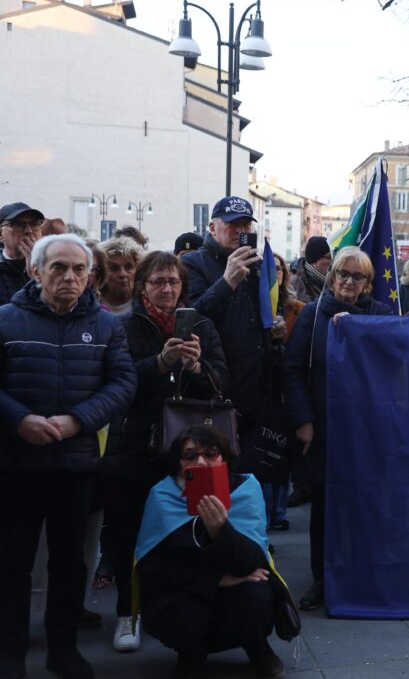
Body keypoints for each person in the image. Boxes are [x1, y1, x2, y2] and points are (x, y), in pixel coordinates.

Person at [0, 233, 137, 679]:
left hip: (75, 463)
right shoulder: (5, 319)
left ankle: (63, 650)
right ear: (35, 271)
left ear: (89, 276)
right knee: (12, 564)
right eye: (58, 267)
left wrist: (77, 421)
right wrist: (19, 419)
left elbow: (122, 384)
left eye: (79, 269)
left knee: (69, 562)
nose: (69, 277)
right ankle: (10, 653)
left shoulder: (106, 326)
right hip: (16, 463)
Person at [103, 250, 228, 653]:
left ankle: (179, 606)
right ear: (142, 286)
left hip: (189, 448)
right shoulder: (122, 326)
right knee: (127, 531)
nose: (167, 289)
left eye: (173, 281)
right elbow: (119, 382)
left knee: (188, 528)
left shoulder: (201, 325)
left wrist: (196, 368)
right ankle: (127, 612)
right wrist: (160, 362)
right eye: (158, 281)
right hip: (136, 445)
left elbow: (222, 384)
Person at [283, 246, 390, 612]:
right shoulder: (313, 316)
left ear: (367, 282)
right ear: (332, 277)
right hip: (325, 429)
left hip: (369, 431)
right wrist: (304, 421)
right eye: (342, 273)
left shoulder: (381, 316)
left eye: (357, 276)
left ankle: (363, 575)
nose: (348, 281)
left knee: (366, 505)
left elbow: (398, 364)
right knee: (325, 508)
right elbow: (293, 370)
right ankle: (323, 579)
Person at [134, 425, 285, 679]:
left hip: (238, 587)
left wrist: (220, 530)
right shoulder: (162, 496)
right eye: (190, 456)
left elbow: (253, 560)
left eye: (210, 454)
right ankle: (190, 654)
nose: (200, 462)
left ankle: (258, 649)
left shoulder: (245, 490)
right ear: (179, 462)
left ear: (224, 458)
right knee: (177, 612)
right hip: (187, 591)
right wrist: (216, 580)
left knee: (255, 597)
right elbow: (152, 571)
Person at [183, 196, 274, 437]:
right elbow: (192, 317)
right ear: (212, 227)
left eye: (246, 225)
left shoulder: (255, 265)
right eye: (233, 224)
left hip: (256, 387)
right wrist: (227, 282)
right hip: (216, 385)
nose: (241, 231)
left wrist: (274, 325)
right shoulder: (192, 263)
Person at [0, 202, 44, 306]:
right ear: (1, 234)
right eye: (18, 224)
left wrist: (39, 274)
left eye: (34, 224)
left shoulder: (54, 268)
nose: (28, 231)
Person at [98, 237, 143, 317]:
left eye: (129, 267)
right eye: (114, 268)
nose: (123, 274)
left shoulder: (147, 308)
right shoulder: (89, 306)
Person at [289, 236, 332, 303]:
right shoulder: (294, 283)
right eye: (328, 257)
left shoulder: (334, 283)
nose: (332, 261)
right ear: (314, 262)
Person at [273, 252, 304, 341]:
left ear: (283, 274)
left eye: (277, 269)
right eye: (267, 268)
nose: (273, 273)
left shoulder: (299, 308)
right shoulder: (251, 307)